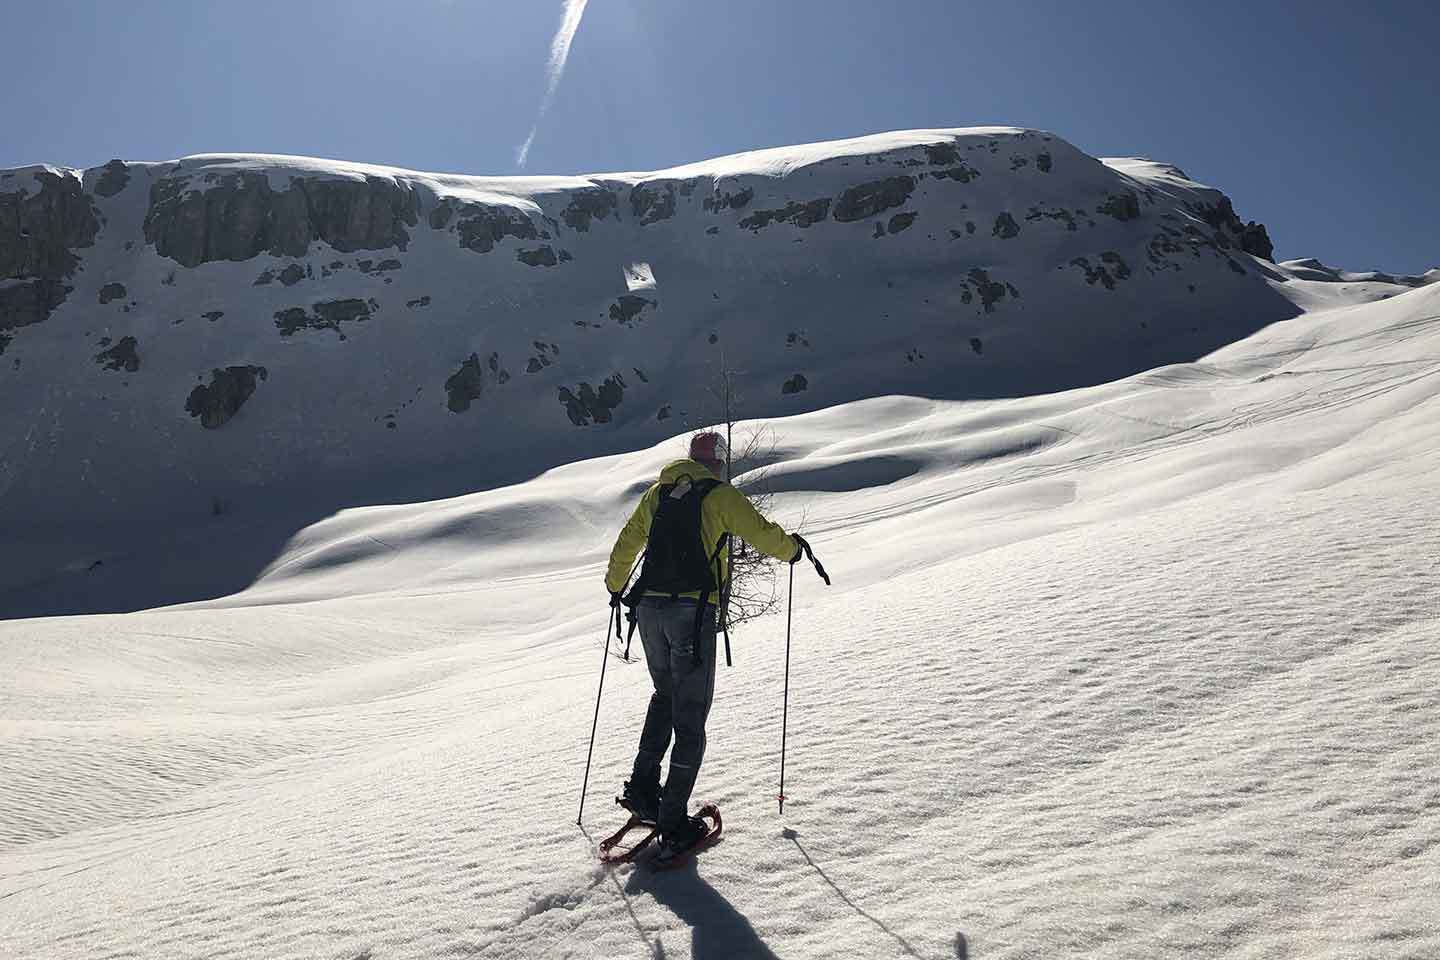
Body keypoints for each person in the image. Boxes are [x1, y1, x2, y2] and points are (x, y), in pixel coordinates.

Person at [605, 430, 808, 861]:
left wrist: (615, 585)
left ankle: (643, 790)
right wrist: (792, 551)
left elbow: (627, 541)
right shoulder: (719, 495)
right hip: (692, 612)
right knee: (691, 715)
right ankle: (673, 821)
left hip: (649, 611)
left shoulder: (658, 494)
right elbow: (761, 532)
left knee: (665, 695)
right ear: (718, 463)